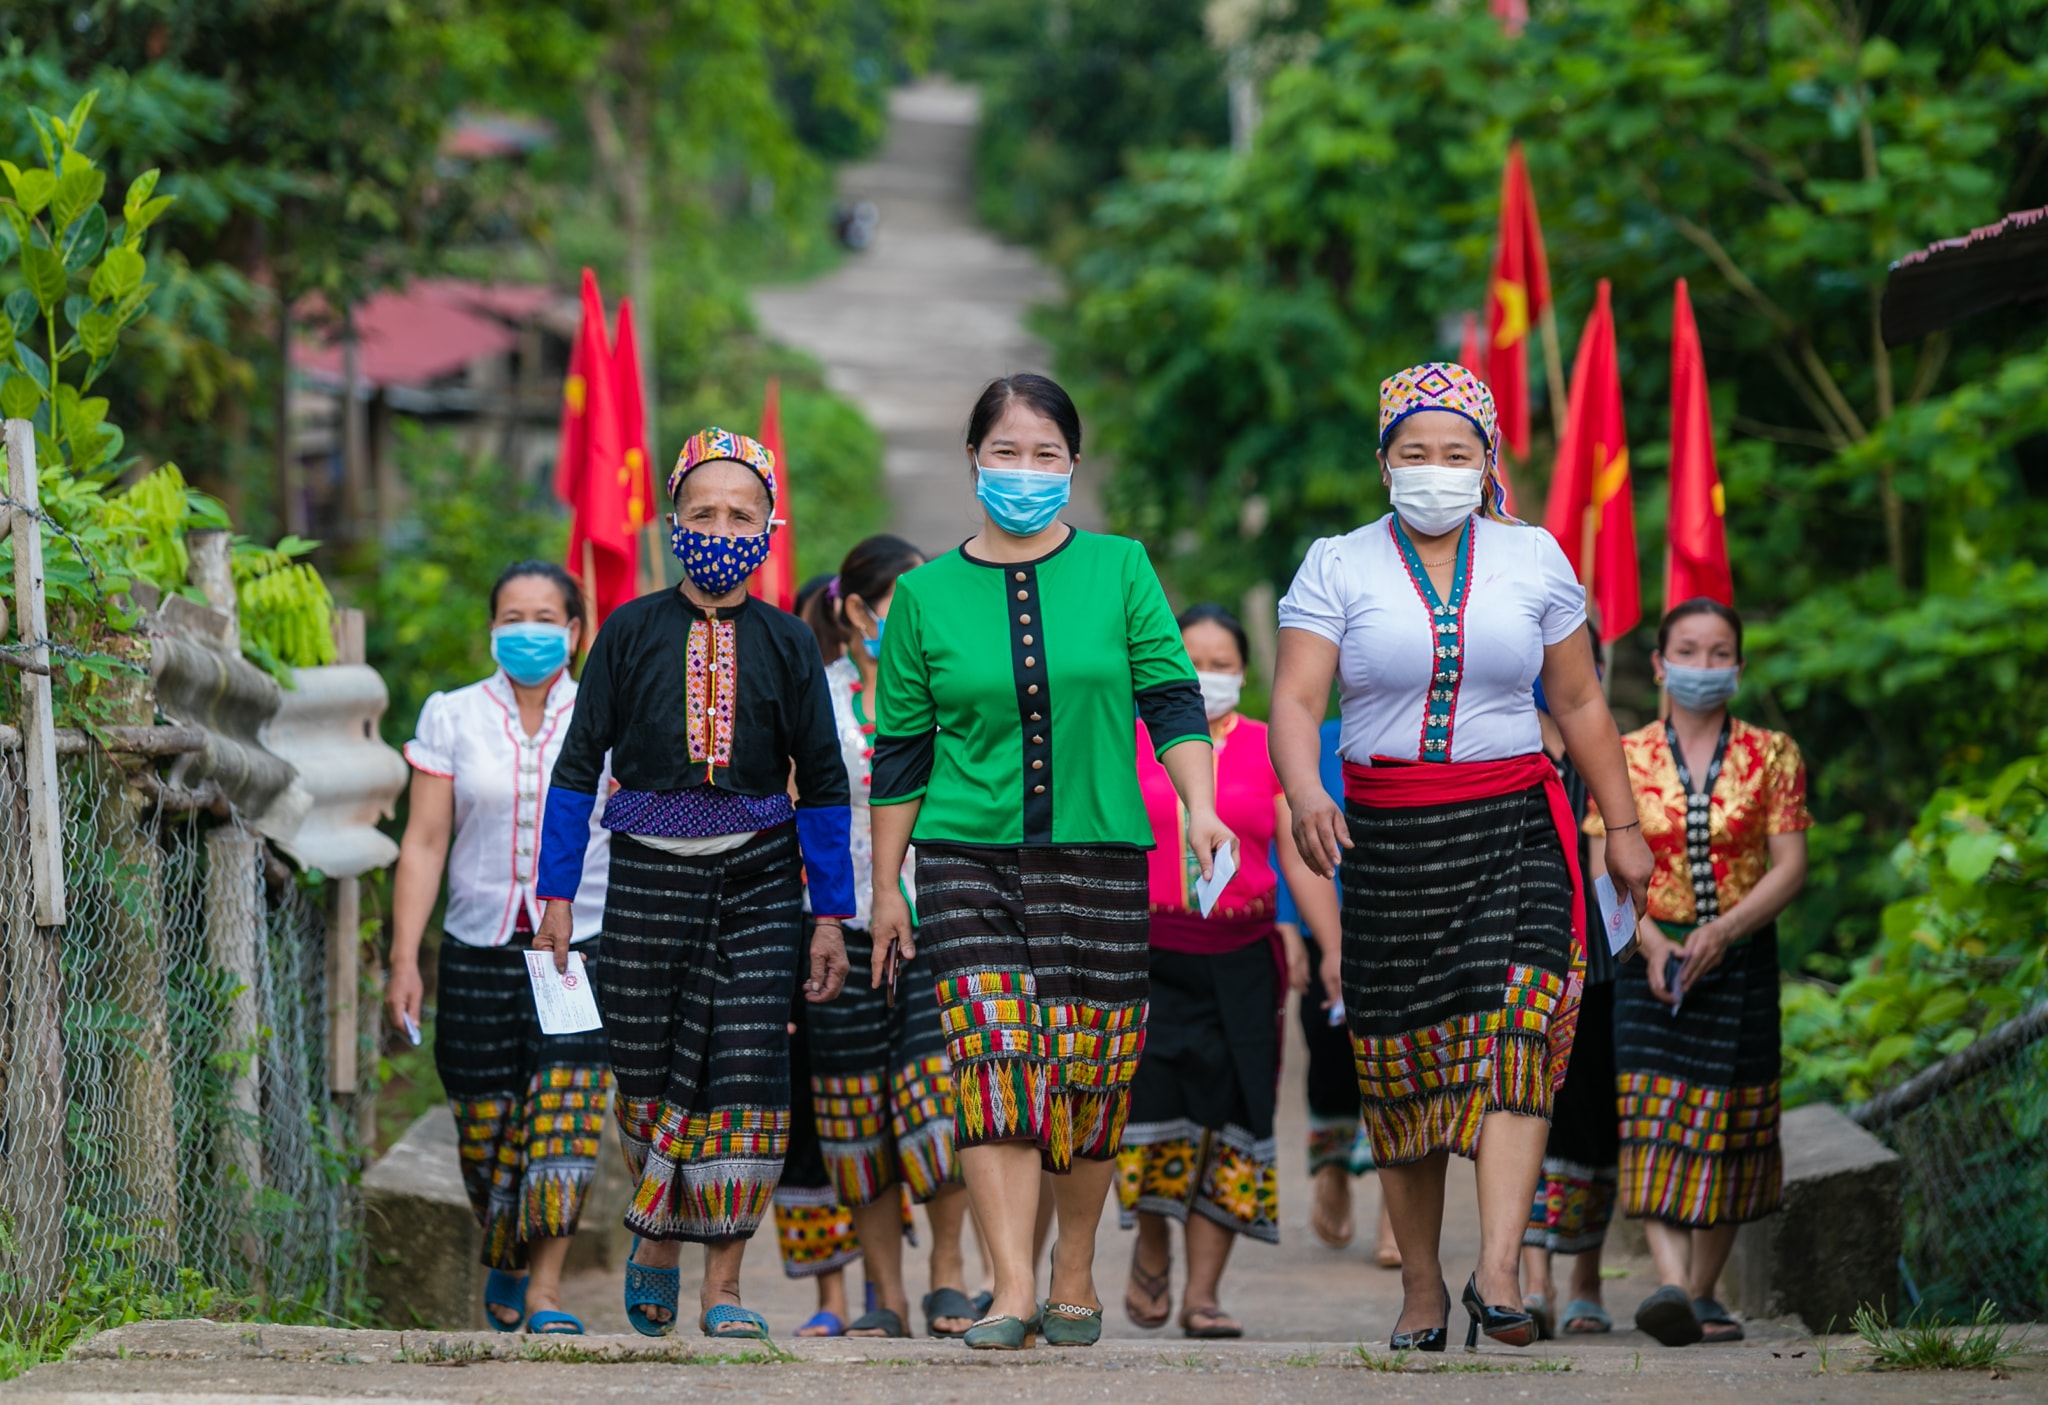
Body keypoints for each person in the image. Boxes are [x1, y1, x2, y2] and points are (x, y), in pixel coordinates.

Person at [1270, 362, 1654, 1353]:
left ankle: (1496, 1269)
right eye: (1412, 453)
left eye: (1454, 453)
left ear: (1487, 464)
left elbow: (1576, 702)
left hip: (1514, 826)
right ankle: (1422, 1289)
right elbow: (1297, 700)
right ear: (1381, 463)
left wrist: (1620, 825)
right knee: (1398, 1063)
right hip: (1390, 835)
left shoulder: (1534, 560)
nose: (1433, 470)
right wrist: (1306, 789)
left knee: (1522, 1024)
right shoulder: (1336, 564)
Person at [867, 373, 1233, 1351]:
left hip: (1100, 854)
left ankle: (1073, 1269)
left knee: (1085, 1074)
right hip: (963, 858)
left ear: (1071, 465)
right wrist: (884, 888)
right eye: (1003, 452)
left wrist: (1197, 805)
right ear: (973, 461)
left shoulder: (1119, 569)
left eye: (1043, 454)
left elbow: (1169, 699)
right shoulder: (921, 596)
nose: (1022, 471)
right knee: (993, 1067)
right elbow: (898, 753)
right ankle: (1007, 1286)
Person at [532, 427, 854, 1343]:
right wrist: (557, 896)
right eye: (704, 511)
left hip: (759, 881)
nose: (722, 527)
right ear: (672, 520)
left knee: (746, 1071)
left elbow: (824, 782)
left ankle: (723, 1280)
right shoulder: (629, 630)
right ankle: (659, 1233)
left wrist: (828, 915)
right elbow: (575, 767)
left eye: (741, 514)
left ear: (769, 527)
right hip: (642, 881)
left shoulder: (791, 642)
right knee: (643, 1072)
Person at [387, 561, 610, 1336]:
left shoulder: (605, 713)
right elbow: (422, 841)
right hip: (478, 944)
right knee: (484, 1126)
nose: (528, 631)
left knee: (566, 1116)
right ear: (492, 628)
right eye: (512, 616)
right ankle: (507, 1252)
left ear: (575, 632)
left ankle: (546, 1287)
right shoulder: (452, 715)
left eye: (545, 616)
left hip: (577, 950)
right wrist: (404, 957)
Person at [1117, 604, 1341, 1339]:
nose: (1207, 676)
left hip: (1243, 958)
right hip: (1146, 952)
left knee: (1235, 1112)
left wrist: (1331, 942)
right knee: (1151, 1112)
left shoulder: (1265, 747)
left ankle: (1204, 1292)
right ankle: (1151, 1248)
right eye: (1193, 662)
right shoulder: (1130, 736)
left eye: (1221, 664)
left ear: (1244, 674)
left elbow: (1296, 853)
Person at [1591, 598, 1810, 1347]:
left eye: (1720, 653)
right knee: (1651, 1114)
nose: (1703, 666)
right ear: (1658, 663)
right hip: (1648, 956)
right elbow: (1604, 868)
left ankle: (1700, 1290)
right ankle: (1672, 1283)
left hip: (1741, 956)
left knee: (1732, 1122)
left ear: (1740, 668)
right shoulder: (1621, 754)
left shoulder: (1772, 753)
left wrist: (1725, 928)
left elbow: (1790, 866)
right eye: (1688, 650)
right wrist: (1652, 943)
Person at [796, 534, 980, 1339]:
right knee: (851, 1115)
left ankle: (948, 1272)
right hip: (834, 926)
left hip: (933, 922)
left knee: (933, 1099)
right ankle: (886, 1296)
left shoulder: (954, 690)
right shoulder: (815, 696)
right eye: (903, 605)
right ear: (859, 611)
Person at [1277, 717, 1401, 1271]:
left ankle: (1397, 1212)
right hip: (1325, 920)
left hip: (1409, 924)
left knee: (1407, 1061)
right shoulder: (1310, 736)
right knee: (1330, 1060)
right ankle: (1331, 1166)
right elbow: (1284, 836)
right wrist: (1293, 929)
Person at [1519, 675, 1620, 1338]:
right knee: (1518, 1109)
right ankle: (1531, 1282)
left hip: (1599, 959)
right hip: (1517, 952)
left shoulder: (1612, 752)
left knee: (1589, 1121)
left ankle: (1585, 1278)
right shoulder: (1502, 744)